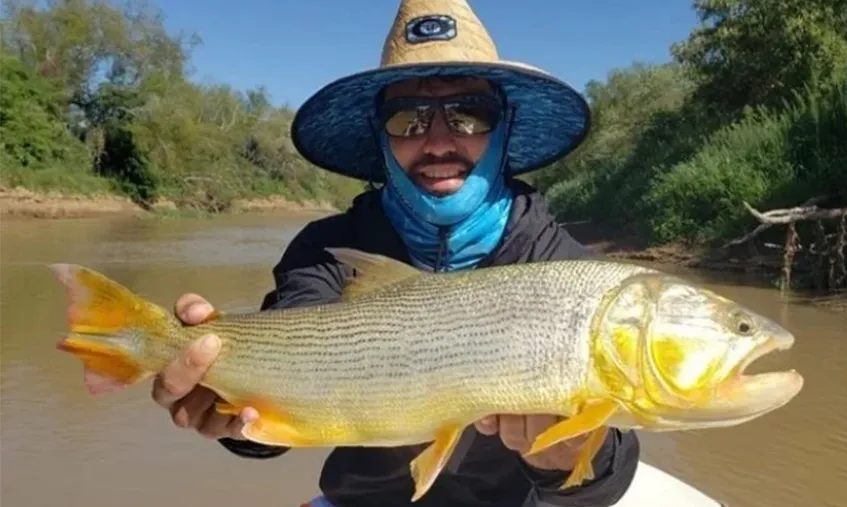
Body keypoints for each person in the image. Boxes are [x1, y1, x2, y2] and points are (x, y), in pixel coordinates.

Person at [91, 1, 641, 506]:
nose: (438, 141)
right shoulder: (326, 250)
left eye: (470, 114)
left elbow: (605, 483)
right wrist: (233, 419)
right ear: (381, 137)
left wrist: (570, 461)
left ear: (504, 128)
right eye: (408, 119)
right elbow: (286, 383)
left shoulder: (570, 277)